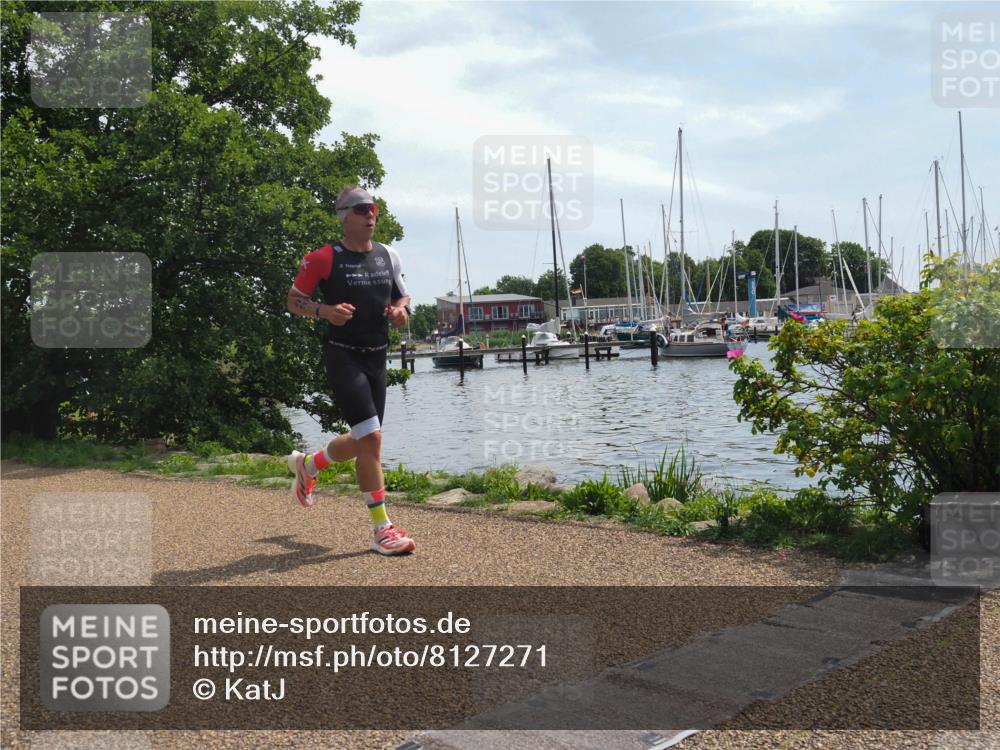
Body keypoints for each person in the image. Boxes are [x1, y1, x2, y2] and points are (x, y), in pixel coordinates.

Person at [285, 186, 415, 555]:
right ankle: (382, 531)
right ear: (344, 216)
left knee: (363, 439)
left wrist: (401, 312)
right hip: (343, 356)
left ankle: (309, 466)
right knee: (371, 439)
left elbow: (401, 296)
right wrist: (323, 311)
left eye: (372, 208)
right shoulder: (323, 258)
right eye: (361, 209)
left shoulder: (389, 255)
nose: (370, 214)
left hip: (377, 356)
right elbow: (293, 300)